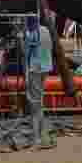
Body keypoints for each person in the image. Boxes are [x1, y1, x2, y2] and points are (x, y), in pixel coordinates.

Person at [25, 18, 53, 147]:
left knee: (35, 104)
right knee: (39, 101)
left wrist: (21, 40)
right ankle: (42, 135)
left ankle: (37, 138)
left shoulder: (31, 34)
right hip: (46, 67)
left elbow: (25, 54)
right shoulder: (46, 30)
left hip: (35, 69)